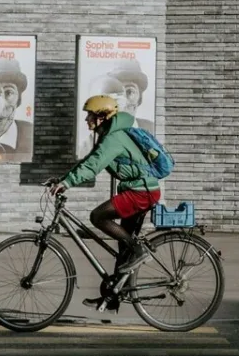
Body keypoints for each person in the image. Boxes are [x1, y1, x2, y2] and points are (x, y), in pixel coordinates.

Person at [52, 94, 162, 311]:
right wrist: (62, 179)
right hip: (139, 191)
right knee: (123, 247)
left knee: (98, 216)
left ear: (102, 117)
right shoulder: (108, 136)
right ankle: (113, 296)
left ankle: (138, 249)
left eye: (90, 115)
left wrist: (68, 183)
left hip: (141, 192)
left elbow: (93, 166)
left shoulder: (113, 139)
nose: (87, 120)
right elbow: (89, 161)